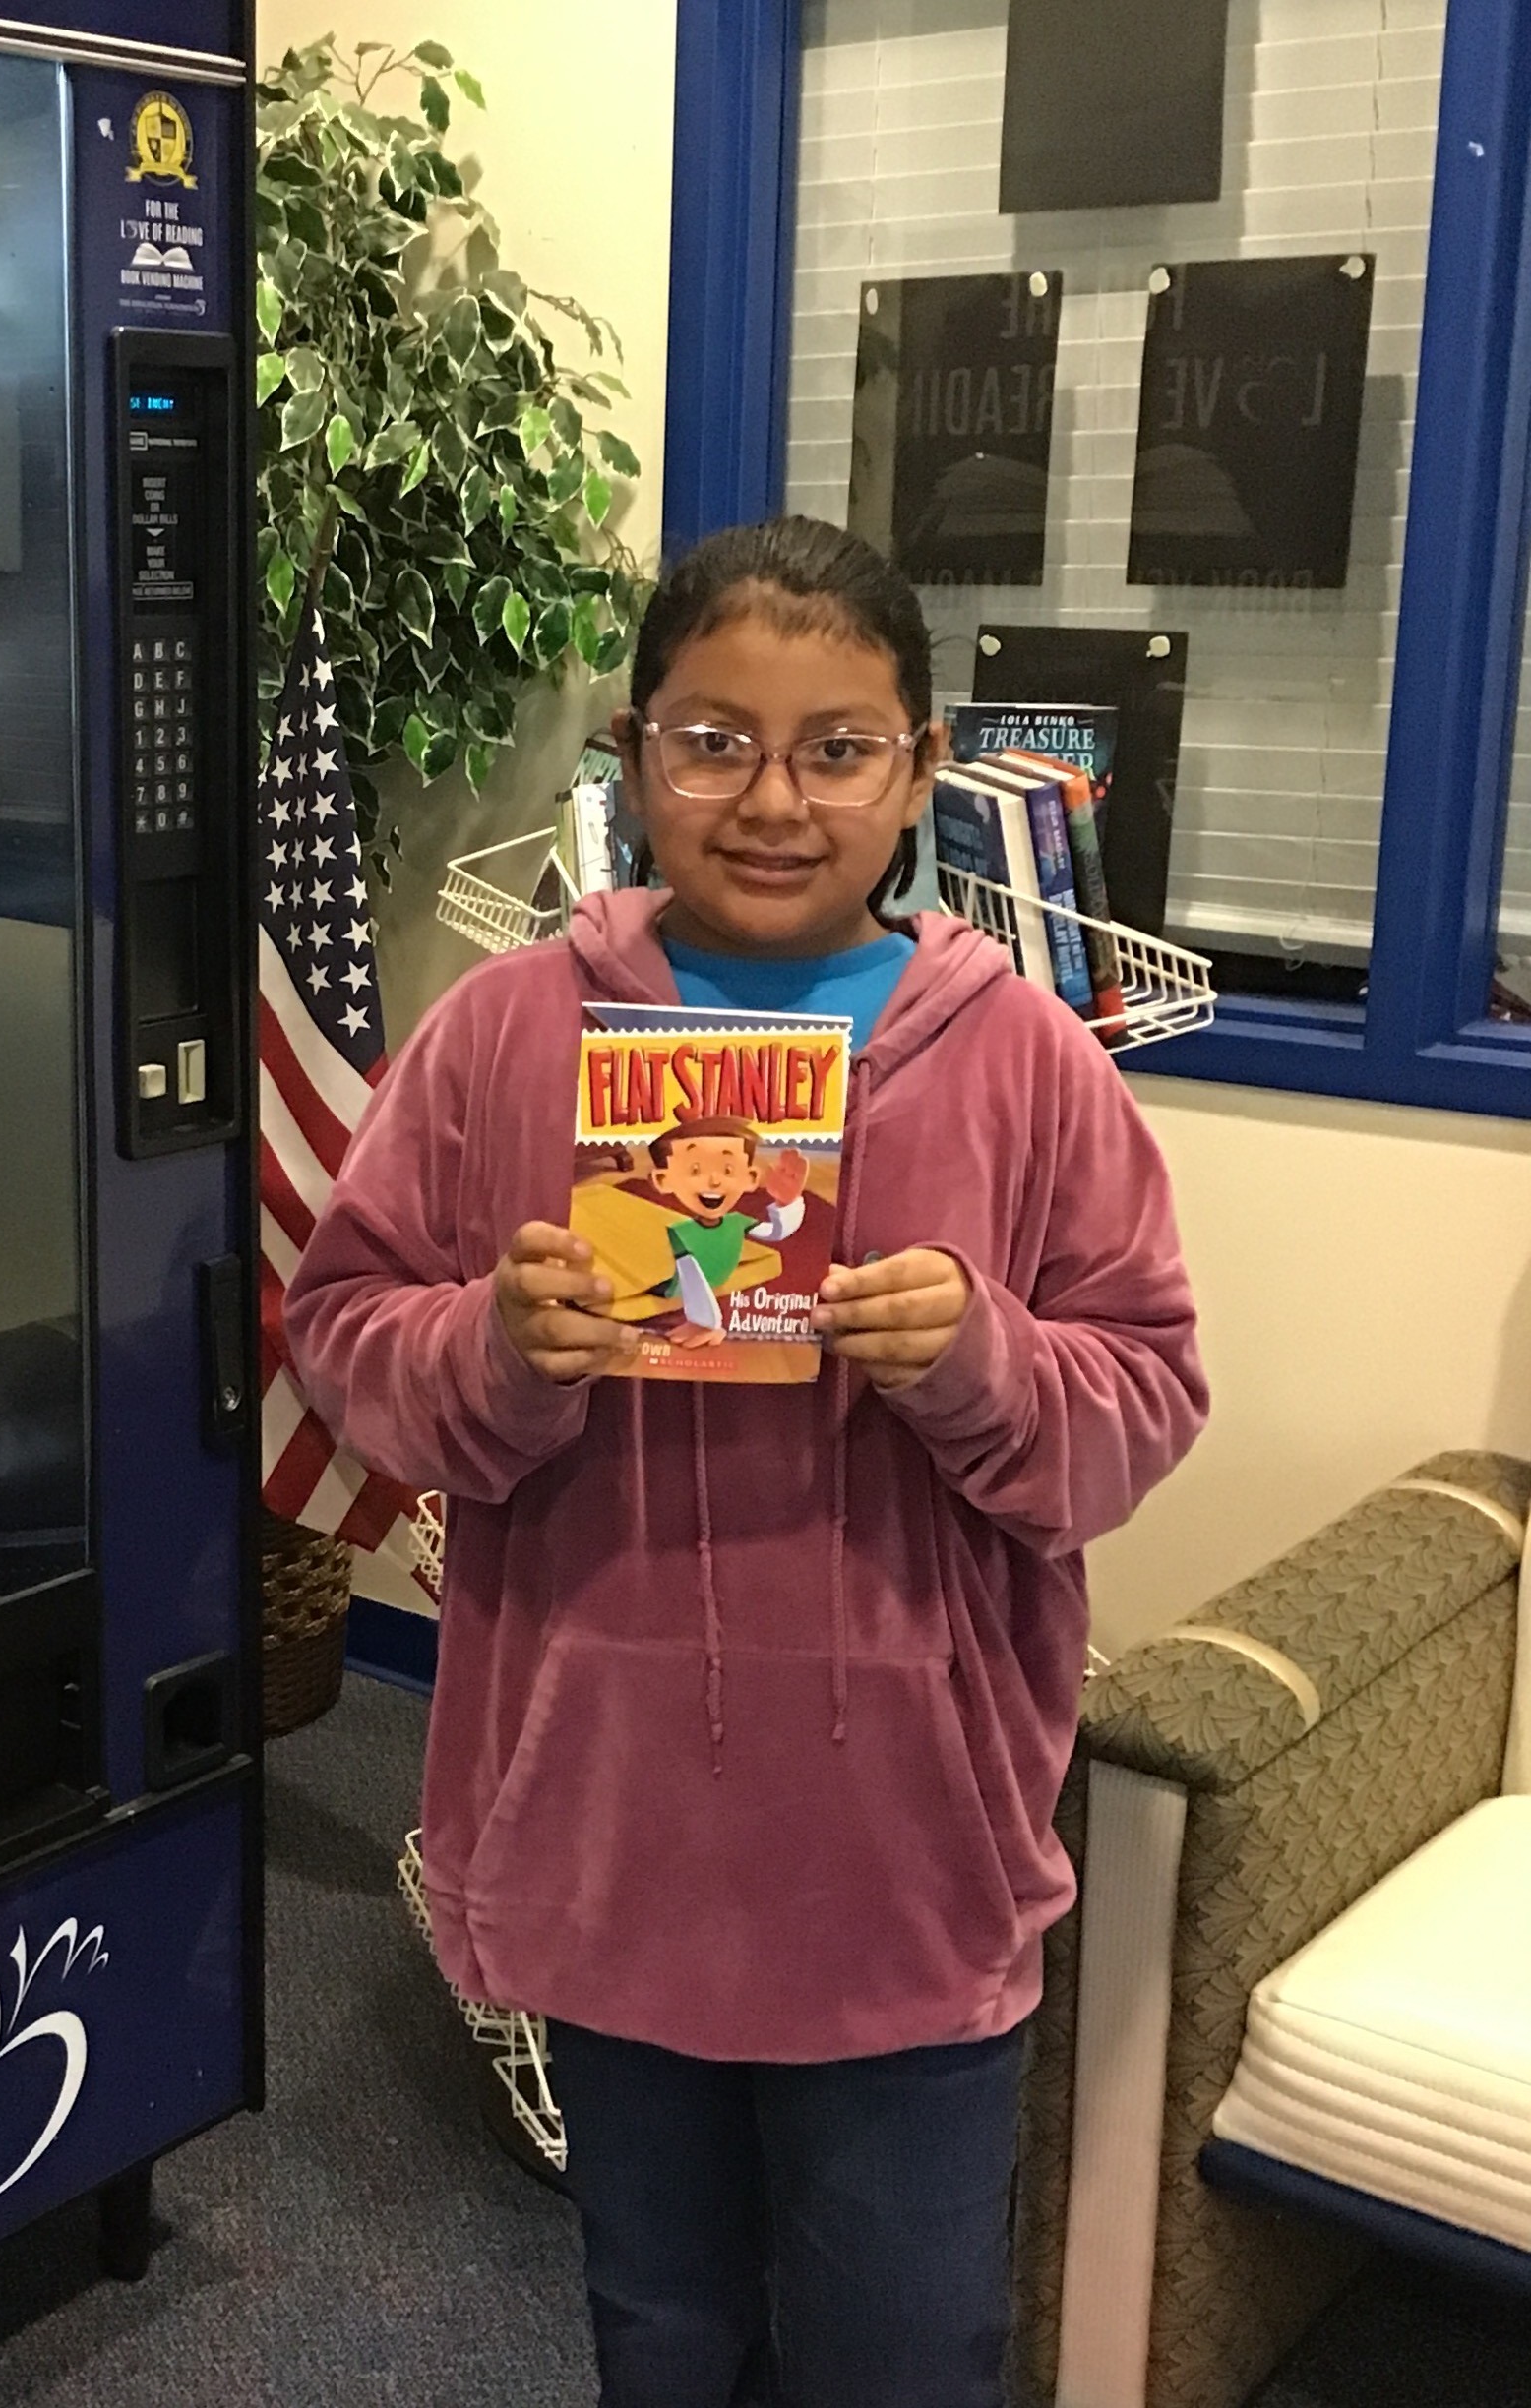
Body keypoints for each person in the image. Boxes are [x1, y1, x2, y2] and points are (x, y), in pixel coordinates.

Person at [282, 515, 1206, 2408]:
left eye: (837, 747)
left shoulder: (1030, 1062)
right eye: (712, 741)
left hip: (910, 1860)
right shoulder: (503, 1038)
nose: (771, 800)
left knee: (900, 2346)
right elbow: (343, 1335)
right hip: (614, 1835)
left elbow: (1146, 1402)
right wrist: (493, 1347)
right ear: (635, 756)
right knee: (664, 2328)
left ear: (921, 768)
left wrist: (984, 1360)